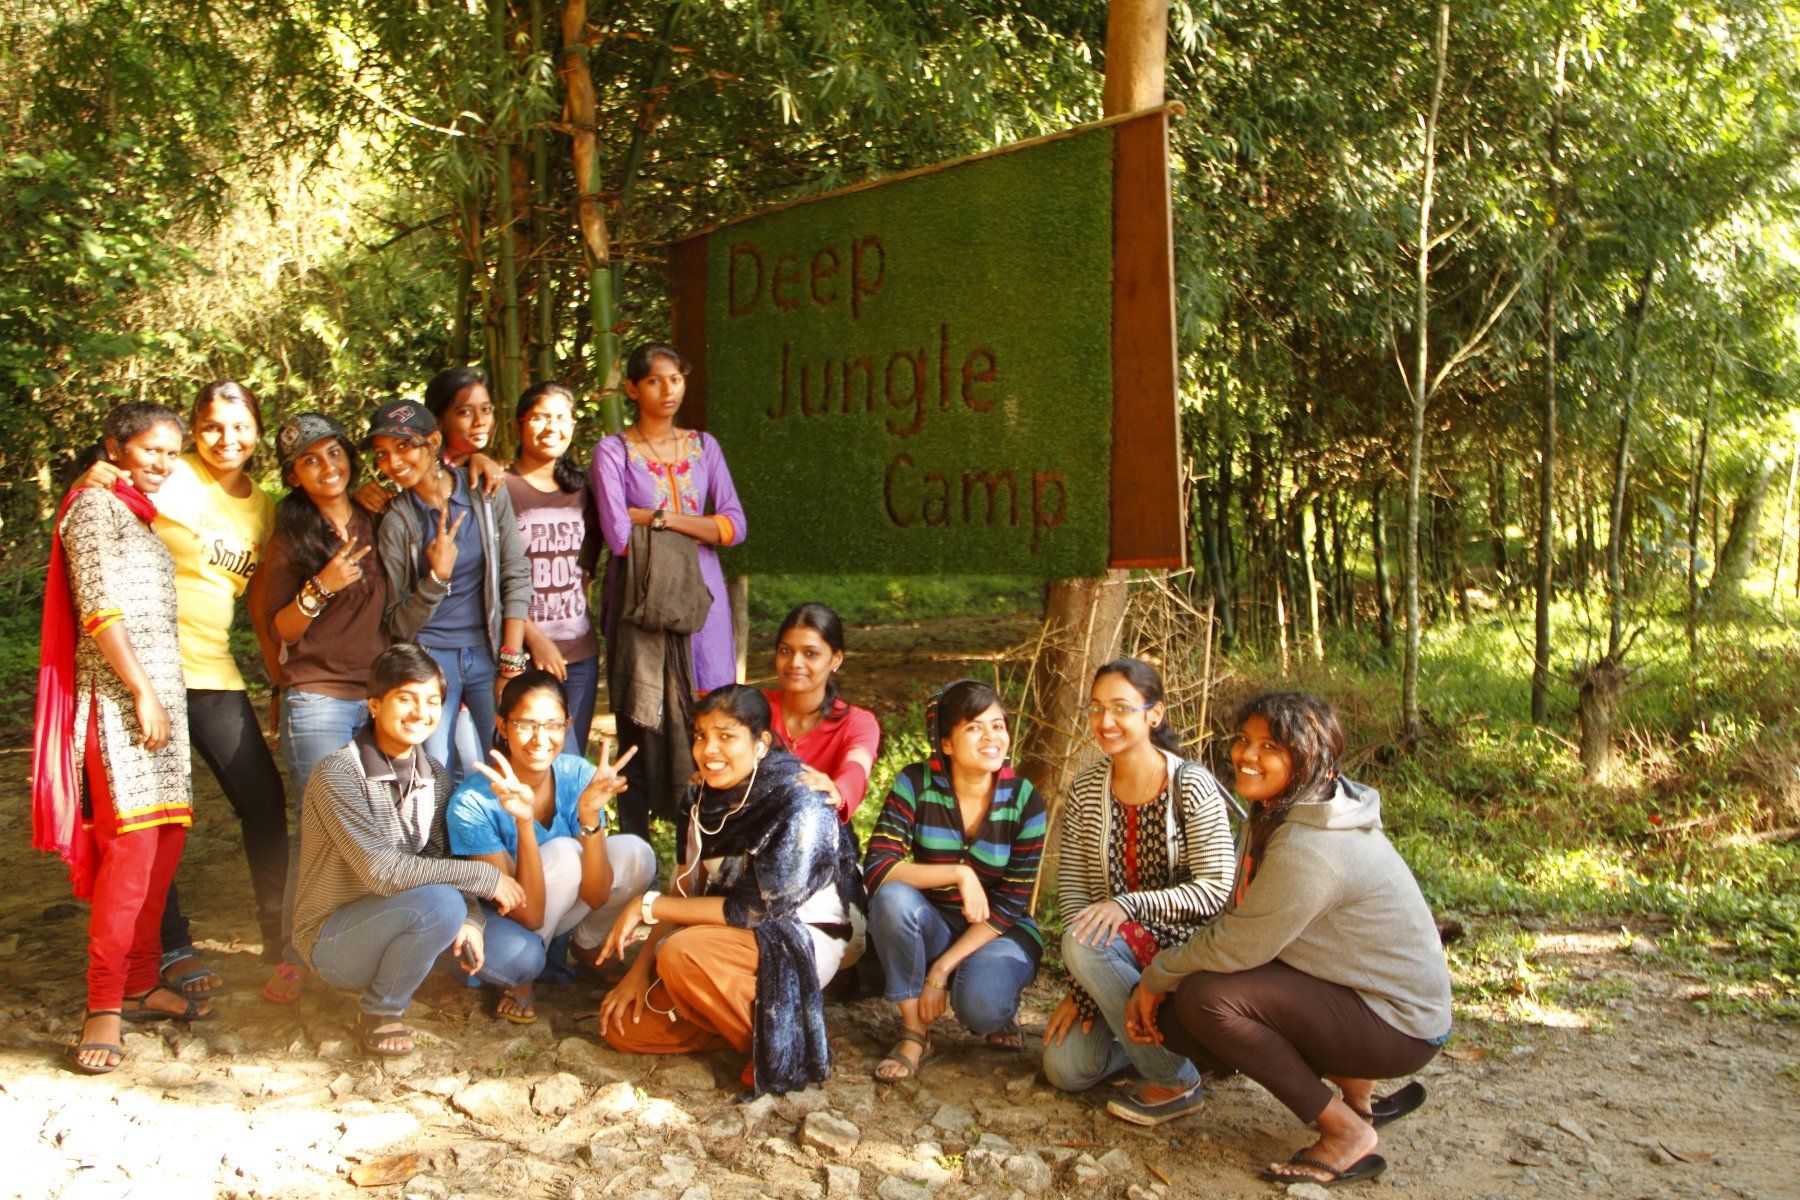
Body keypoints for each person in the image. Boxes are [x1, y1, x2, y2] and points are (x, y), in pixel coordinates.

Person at [1123, 692, 1453, 1186]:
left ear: (1308, 757)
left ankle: (1345, 1133)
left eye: (1270, 747)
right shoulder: (1288, 807)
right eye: (1244, 741)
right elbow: (1244, 919)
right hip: (1373, 1000)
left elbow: (1238, 944)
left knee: (1206, 1003)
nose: (1247, 756)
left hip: (1400, 1025)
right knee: (1190, 1008)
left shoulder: (1312, 847)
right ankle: (1356, 1096)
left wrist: (1156, 976)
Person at [75, 381, 288, 1000]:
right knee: (152, 820)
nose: (228, 439)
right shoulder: (168, 470)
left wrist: (275, 680)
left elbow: (256, 598)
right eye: (214, 426)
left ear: (257, 430)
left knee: (264, 804)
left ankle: (281, 941)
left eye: (241, 426)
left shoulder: (264, 506)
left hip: (213, 672)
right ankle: (169, 946)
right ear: (195, 429)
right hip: (145, 673)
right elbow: (104, 498)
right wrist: (97, 472)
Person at [35, 402, 209, 1074]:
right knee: (129, 852)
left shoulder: (131, 508)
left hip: (161, 700)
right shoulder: (93, 508)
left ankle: (140, 981)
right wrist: (139, 689)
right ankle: (102, 1004)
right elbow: (99, 610)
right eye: (151, 450)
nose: (164, 463)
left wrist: (157, 695)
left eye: (173, 452)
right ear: (116, 446)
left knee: (164, 843)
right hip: (118, 703)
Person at [597, 686, 865, 1097]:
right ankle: (752, 1018)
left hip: (802, 936)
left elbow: (759, 911)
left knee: (681, 953)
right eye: (701, 735)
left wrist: (646, 904)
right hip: (728, 934)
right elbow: (686, 892)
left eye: (726, 736)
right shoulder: (699, 796)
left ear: (760, 745)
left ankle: (784, 1047)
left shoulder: (799, 800)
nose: (709, 749)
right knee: (626, 1030)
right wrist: (636, 973)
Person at [290, 644, 527, 1056]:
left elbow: (441, 858)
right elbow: (383, 871)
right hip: (334, 939)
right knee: (440, 904)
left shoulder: (432, 773)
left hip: (411, 915)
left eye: (433, 701)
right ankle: (381, 1010)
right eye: (406, 699)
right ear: (375, 705)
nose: (421, 712)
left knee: (521, 961)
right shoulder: (338, 772)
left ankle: (413, 970)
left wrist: (472, 916)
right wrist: (485, 878)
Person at [1042, 657, 1236, 1125]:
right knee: (1065, 1068)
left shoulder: (1192, 785)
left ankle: (1175, 1079)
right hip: (1114, 962)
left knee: (1087, 940)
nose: (1105, 722)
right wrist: (1085, 987)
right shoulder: (1088, 788)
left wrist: (1127, 905)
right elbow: (1073, 893)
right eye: (1095, 708)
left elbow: (1216, 890)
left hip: (1187, 961)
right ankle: (1173, 1051)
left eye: (1121, 708)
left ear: (1154, 714)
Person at [251, 412, 392, 1003]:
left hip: (382, 695)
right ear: (293, 475)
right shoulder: (292, 537)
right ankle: (296, 955)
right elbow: (276, 622)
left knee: (385, 825)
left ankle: (367, 951)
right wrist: (321, 586)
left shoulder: (377, 514)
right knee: (320, 829)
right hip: (319, 697)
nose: (327, 467)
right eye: (311, 460)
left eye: (335, 454)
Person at [591, 342, 747, 836]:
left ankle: (709, 844)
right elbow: (617, 536)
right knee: (642, 724)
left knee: (712, 717)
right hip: (644, 605)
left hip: (704, 604)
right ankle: (636, 851)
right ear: (632, 388)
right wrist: (696, 524)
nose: (668, 390)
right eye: (655, 380)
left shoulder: (705, 447)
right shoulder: (613, 451)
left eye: (675, 379)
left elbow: (734, 527)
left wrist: (658, 518)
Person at [447, 670, 657, 1022]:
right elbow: (522, 912)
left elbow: (596, 894)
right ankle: (522, 978)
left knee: (638, 853)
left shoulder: (576, 773)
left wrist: (589, 815)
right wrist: (524, 822)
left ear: (567, 725)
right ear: (502, 725)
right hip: (504, 921)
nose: (539, 739)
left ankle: (587, 947)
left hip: (559, 903)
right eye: (526, 724)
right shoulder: (472, 801)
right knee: (564, 852)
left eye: (553, 725)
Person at [863, 679, 1047, 1081]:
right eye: (974, 727)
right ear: (946, 743)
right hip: (934, 921)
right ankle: (914, 1033)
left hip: (1000, 932)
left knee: (982, 1006)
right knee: (892, 899)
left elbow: (1012, 903)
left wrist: (941, 970)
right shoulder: (915, 783)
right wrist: (959, 873)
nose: (991, 737)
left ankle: (990, 1002)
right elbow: (878, 867)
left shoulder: (1024, 799)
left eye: (997, 725)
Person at [369, 398, 531, 785]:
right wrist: (436, 579)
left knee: (511, 757)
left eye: (404, 446)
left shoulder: (485, 493)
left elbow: (515, 572)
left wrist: (510, 662)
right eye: (382, 454)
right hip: (429, 658)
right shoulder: (396, 521)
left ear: (434, 441)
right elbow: (397, 620)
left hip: (488, 652)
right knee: (435, 771)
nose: (393, 462)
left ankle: (514, 843)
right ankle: (442, 847)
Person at [505, 382, 602, 754]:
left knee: (571, 761)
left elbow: (592, 553)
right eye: (540, 417)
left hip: (579, 654)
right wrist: (534, 638)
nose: (551, 427)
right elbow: (492, 576)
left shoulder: (584, 489)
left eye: (561, 418)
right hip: (520, 656)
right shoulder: (501, 487)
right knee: (529, 761)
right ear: (518, 426)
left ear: (573, 427)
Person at [763, 602, 882, 823]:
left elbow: (856, 767)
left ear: (836, 659)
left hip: (820, 841)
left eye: (811, 653)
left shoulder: (857, 723)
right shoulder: (754, 709)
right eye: (785, 651)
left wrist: (837, 790)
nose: (795, 663)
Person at [425, 366, 496, 469]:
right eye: (465, 412)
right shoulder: (424, 470)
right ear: (438, 421)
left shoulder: (494, 469)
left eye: (486, 409)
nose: (480, 421)